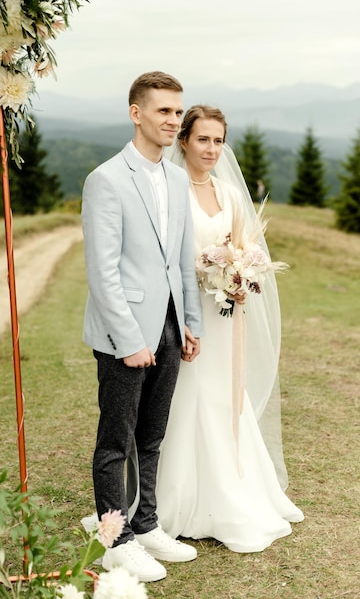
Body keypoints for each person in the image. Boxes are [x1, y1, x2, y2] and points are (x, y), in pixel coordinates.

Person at [152, 105, 303, 553]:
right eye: (202, 139)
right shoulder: (170, 190)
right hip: (183, 312)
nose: (211, 148)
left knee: (223, 394)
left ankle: (231, 493)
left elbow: (246, 248)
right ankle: (177, 499)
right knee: (184, 395)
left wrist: (241, 275)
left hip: (223, 316)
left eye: (218, 140)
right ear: (184, 141)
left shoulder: (231, 195)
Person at [81, 72, 204, 583]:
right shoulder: (106, 179)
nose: (173, 121)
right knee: (117, 439)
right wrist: (129, 340)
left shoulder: (176, 178)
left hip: (171, 328)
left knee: (152, 436)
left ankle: (147, 523)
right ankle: (115, 539)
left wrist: (191, 322)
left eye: (178, 112)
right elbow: (102, 270)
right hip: (124, 334)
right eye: (163, 111)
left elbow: (181, 259)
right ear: (137, 113)